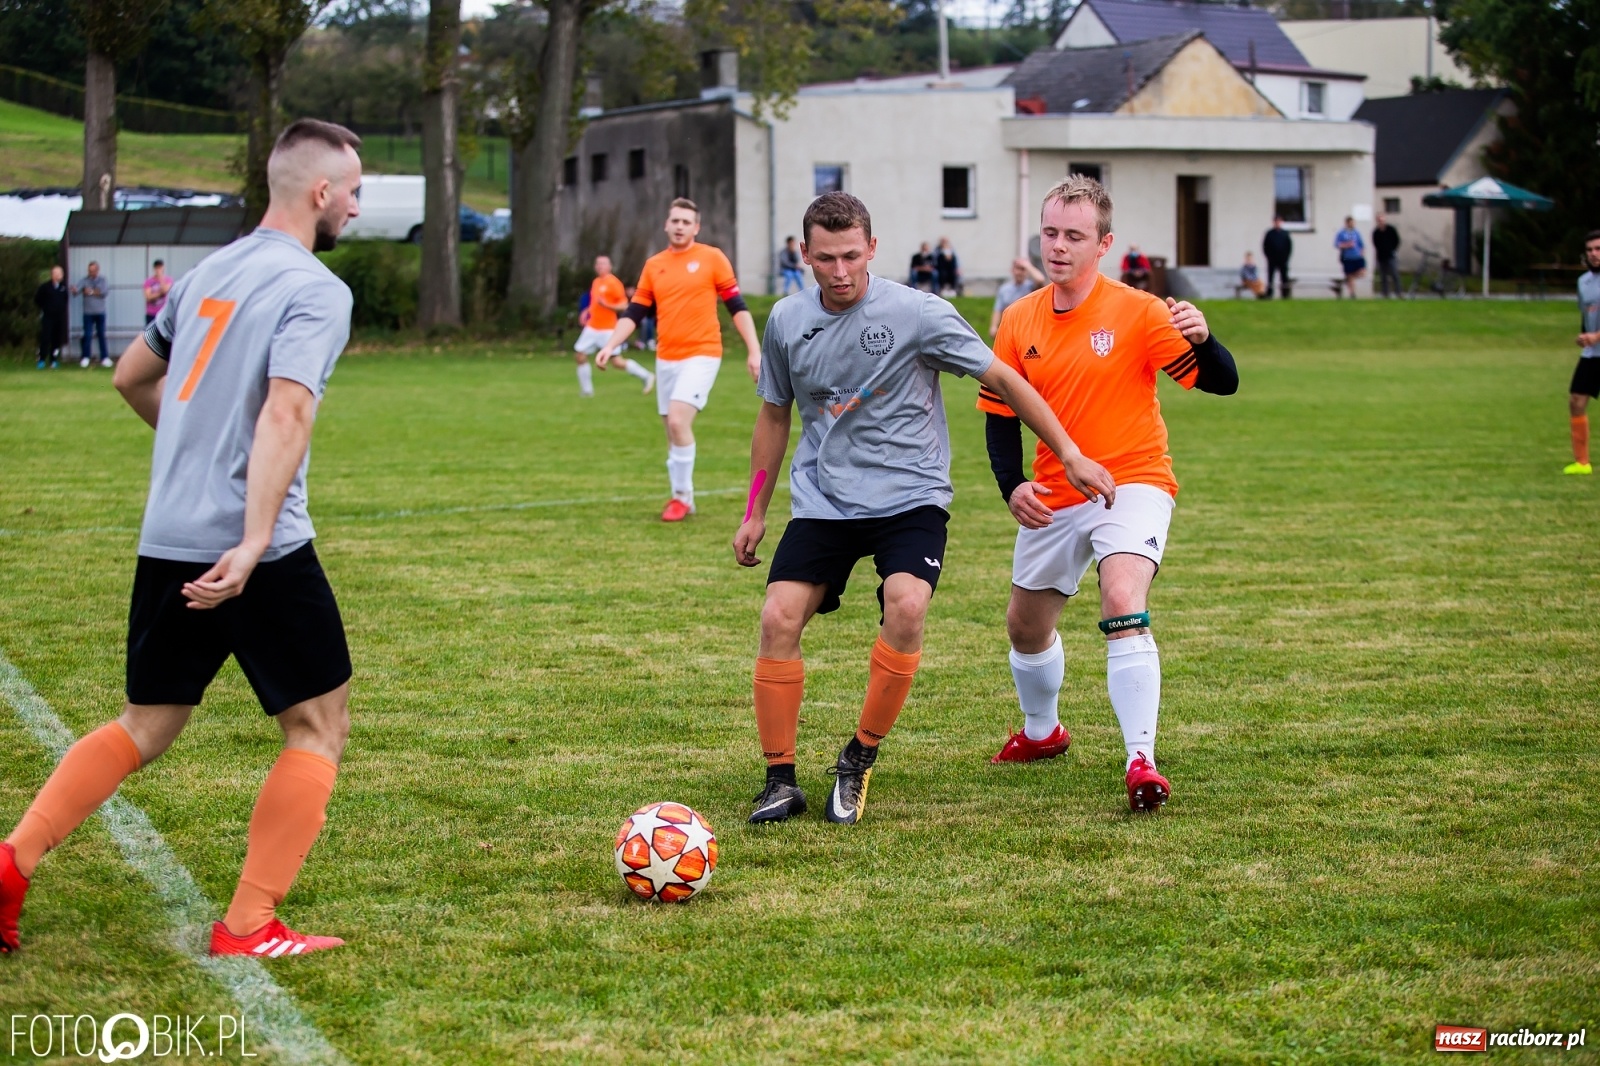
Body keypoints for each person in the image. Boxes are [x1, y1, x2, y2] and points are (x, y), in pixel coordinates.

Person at [0, 118, 365, 959]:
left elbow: (132, 375)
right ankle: (249, 925)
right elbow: (288, 408)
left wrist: (192, 456)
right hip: (255, 549)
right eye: (351, 192)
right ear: (319, 194)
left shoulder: (210, 270)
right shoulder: (316, 288)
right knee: (318, 723)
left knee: (146, 723)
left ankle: (12, 861)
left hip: (167, 536)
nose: (354, 206)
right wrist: (251, 537)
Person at [734, 191, 1111, 827]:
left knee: (907, 604)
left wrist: (1068, 452)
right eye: (825, 259)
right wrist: (754, 510)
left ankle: (859, 759)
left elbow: (1008, 380)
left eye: (852, 255)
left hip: (911, 496)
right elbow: (774, 414)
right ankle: (779, 778)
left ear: (872, 249)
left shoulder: (918, 313)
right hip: (824, 501)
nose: (841, 271)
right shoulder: (785, 321)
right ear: (805, 255)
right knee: (777, 617)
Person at [979, 174, 1238, 812]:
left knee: (1122, 597)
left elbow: (1222, 383)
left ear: (1104, 244)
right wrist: (1012, 485)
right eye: (1050, 232)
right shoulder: (1018, 318)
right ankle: (1043, 734)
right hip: (1056, 495)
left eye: (1075, 235)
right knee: (1024, 627)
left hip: (1134, 481)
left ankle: (1140, 760)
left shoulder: (1141, 311)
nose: (1059, 246)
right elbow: (998, 413)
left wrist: (1206, 342)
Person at [596, 198, 760, 522]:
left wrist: (754, 350)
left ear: (696, 227)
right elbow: (635, 312)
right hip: (666, 357)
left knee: (677, 421)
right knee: (672, 432)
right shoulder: (654, 265)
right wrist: (611, 344)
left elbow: (737, 307)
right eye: (676, 221)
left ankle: (681, 498)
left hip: (703, 353)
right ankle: (682, 496)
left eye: (687, 221)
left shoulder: (712, 258)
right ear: (666, 225)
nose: (680, 226)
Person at [572, 255, 653, 397]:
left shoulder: (614, 283)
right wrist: (586, 312)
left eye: (603, 264)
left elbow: (623, 305)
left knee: (616, 362)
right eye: (597, 264)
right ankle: (587, 391)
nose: (600, 266)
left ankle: (646, 376)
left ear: (610, 266)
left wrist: (607, 305)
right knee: (579, 355)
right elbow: (595, 303)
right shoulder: (596, 281)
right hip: (592, 326)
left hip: (608, 329)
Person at [1564, 228, 1600, 475]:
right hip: (1592, 354)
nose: (1594, 254)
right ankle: (1582, 463)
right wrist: (1584, 337)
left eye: (1598, 248)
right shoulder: (1583, 282)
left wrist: (1596, 336)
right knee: (1576, 401)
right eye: (1589, 250)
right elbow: (1587, 317)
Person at [990, 257, 1046, 337]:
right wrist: (994, 326)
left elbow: (1040, 279)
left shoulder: (1031, 287)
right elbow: (998, 309)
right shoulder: (1004, 289)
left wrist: (1028, 265)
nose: (1019, 272)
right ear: (1012, 270)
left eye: (1022, 269)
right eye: (1017, 269)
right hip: (1009, 328)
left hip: (1028, 328)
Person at [73, 261, 110, 367]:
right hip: (88, 313)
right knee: (88, 335)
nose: (91, 272)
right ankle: (85, 357)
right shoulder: (84, 280)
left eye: (93, 270)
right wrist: (75, 290)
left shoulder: (102, 280)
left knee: (101, 335)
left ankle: (105, 358)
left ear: (97, 270)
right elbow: (77, 291)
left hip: (100, 312)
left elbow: (103, 292)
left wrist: (90, 292)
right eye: (89, 271)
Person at [34, 264, 69, 370]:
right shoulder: (45, 287)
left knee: (56, 339)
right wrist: (46, 308)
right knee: (45, 338)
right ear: (52, 275)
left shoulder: (63, 287)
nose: (60, 275)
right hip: (48, 317)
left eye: (61, 273)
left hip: (59, 317)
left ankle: (53, 360)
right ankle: (41, 360)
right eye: (58, 273)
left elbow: (65, 300)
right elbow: (37, 300)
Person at [1335, 216, 1366, 298]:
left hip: (1357, 256)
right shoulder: (1341, 233)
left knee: (1362, 273)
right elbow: (1337, 244)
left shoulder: (1356, 232)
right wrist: (1346, 245)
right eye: (1351, 223)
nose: (1353, 224)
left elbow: (1361, 244)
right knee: (1349, 275)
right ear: (1347, 223)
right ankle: (1352, 294)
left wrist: (1362, 254)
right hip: (1347, 257)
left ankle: (1346, 281)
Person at [1262, 216, 1292, 299]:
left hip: (1283, 259)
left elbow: (1289, 246)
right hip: (1272, 259)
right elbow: (1265, 246)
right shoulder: (1269, 234)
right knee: (1270, 277)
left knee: (1284, 277)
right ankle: (1269, 294)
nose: (1277, 223)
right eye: (1276, 221)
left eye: (1279, 221)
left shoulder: (1285, 234)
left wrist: (1286, 257)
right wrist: (1268, 257)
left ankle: (1285, 294)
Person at [1372, 215, 1402, 298]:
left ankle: (1398, 292)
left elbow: (1397, 240)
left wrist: (1393, 249)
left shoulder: (1391, 230)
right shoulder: (1376, 232)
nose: (1381, 222)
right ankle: (1385, 293)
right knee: (1383, 276)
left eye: (1382, 220)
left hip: (1391, 255)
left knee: (1395, 274)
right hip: (1381, 257)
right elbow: (1375, 243)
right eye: (1379, 220)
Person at [144, 259, 173, 325]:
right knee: (151, 334)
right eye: (157, 268)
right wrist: (160, 293)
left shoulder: (168, 280)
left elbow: (165, 290)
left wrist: (160, 278)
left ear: (163, 268)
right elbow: (148, 297)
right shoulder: (148, 281)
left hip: (164, 313)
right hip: (151, 314)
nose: (158, 270)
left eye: (160, 267)